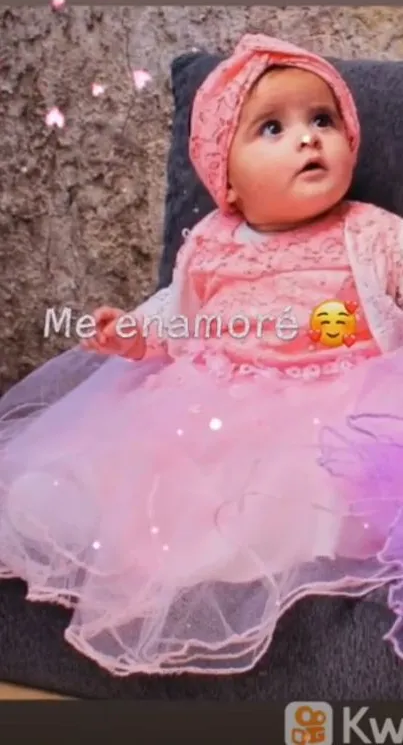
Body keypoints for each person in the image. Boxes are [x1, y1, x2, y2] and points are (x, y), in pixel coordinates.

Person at [1, 33, 403, 677]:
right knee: (141, 467)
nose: (307, 138)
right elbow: (176, 314)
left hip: (335, 403)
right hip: (211, 399)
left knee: (298, 488)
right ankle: (83, 512)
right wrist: (130, 334)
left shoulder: (372, 231)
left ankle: (255, 544)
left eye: (322, 120)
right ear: (228, 182)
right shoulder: (214, 242)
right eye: (272, 128)